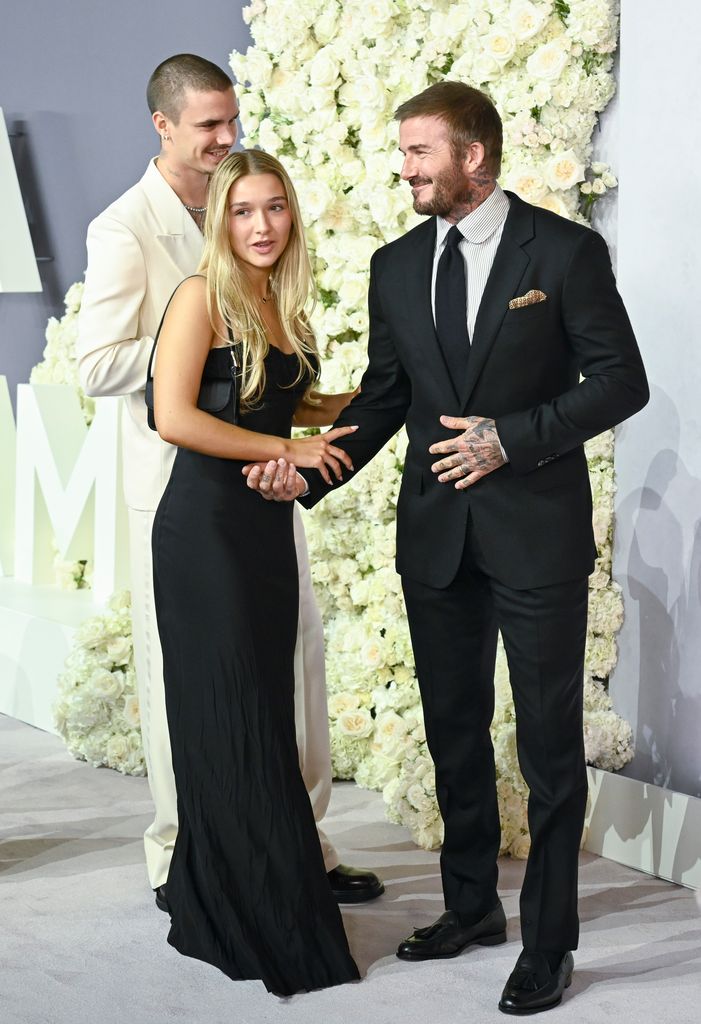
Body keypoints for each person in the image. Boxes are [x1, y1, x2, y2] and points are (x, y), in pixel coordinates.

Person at [244, 81, 649, 1014]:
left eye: (419, 152)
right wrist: (311, 470)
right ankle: (471, 908)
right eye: (402, 152)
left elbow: (620, 381)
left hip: (536, 537)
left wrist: (512, 435)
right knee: (452, 734)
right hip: (435, 538)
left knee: (548, 748)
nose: (405, 168)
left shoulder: (563, 250)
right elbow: (385, 397)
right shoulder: (395, 266)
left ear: (473, 155)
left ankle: (549, 945)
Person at [76, 53, 382, 910]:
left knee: (294, 664)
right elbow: (98, 364)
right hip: (182, 487)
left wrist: (333, 393)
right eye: (208, 125)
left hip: (265, 479)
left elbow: (283, 375)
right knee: (193, 682)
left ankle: (300, 845)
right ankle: (184, 855)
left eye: (231, 122)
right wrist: (205, 350)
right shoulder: (124, 228)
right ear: (163, 125)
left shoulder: (248, 219)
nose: (226, 139)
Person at [148, 149, 360, 994]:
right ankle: (246, 908)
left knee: (265, 713)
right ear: (219, 221)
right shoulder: (201, 296)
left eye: (274, 208)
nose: (262, 226)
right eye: (242, 211)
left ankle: (252, 884)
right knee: (229, 714)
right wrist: (285, 447)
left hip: (264, 534)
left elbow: (290, 407)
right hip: (203, 537)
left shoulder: (284, 305)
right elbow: (173, 417)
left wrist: (388, 392)